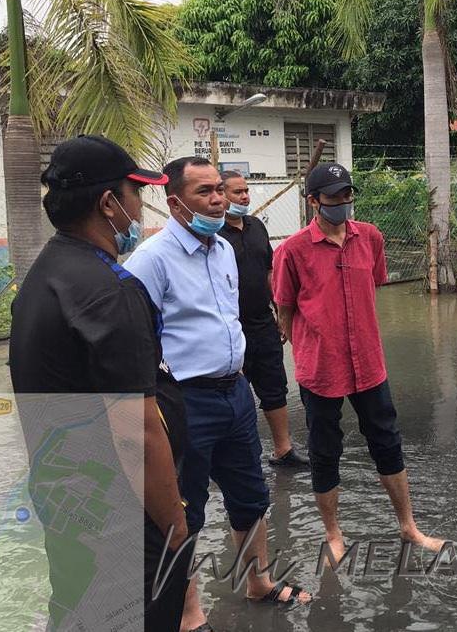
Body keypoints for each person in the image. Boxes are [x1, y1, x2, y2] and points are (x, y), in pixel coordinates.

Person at [9, 135, 190, 631]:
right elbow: (137, 431)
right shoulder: (110, 291)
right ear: (109, 203)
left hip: (67, 496)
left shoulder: (46, 274)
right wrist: (176, 528)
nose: (140, 208)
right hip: (119, 515)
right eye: (135, 195)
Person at [126, 157, 309, 632]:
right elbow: (134, 340)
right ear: (174, 203)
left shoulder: (224, 249)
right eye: (204, 192)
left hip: (235, 393)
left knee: (251, 496)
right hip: (185, 402)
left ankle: (259, 582)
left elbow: (230, 317)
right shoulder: (150, 260)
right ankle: (189, 615)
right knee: (181, 509)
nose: (217, 199)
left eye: (219, 191)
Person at [271, 163, 443, 562]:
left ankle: (409, 527)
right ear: (314, 201)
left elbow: (373, 286)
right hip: (321, 368)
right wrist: (305, 340)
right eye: (334, 197)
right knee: (325, 449)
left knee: (387, 441)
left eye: (348, 195)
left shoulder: (370, 238)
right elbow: (285, 307)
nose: (343, 203)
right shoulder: (292, 251)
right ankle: (333, 533)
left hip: (368, 363)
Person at [219, 170, 308, 470]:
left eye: (246, 191)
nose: (244, 197)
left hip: (262, 322)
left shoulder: (257, 226)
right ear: (222, 195)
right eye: (236, 192)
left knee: (275, 386)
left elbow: (270, 273)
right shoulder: (213, 235)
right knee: (234, 391)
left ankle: (283, 450)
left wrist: (279, 312)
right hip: (230, 327)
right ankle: (236, 457)